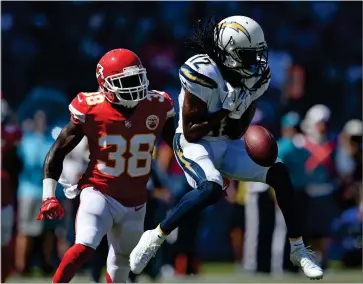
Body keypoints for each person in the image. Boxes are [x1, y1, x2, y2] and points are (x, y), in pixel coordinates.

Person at [130, 15, 323, 280]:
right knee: (210, 187)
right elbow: (191, 130)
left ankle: (298, 249)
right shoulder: (203, 72)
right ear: (228, 51)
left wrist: (236, 113)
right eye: (247, 55)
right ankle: (155, 237)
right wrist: (225, 111)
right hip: (193, 143)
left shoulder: (256, 76)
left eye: (257, 54)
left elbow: (235, 132)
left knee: (279, 172)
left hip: (227, 141)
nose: (255, 62)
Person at [36, 48, 176, 283]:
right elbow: (58, 150)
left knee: (122, 263)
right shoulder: (91, 108)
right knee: (84, 247)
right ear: (106, 85)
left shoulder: (158, 104)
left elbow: (178, 145)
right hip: (99, 191)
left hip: (136, 200)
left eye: (137, 78)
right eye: (126, 81)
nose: (135, 86)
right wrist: (48, 195)